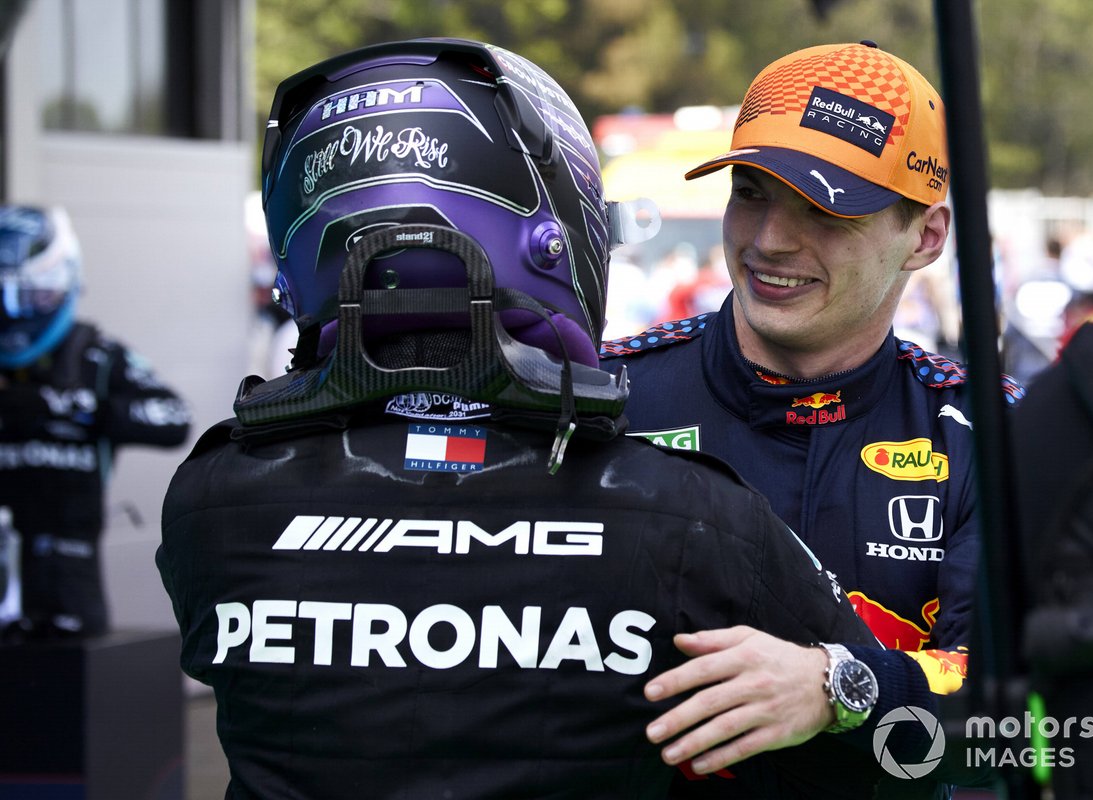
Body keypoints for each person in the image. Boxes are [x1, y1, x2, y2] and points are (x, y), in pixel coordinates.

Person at [156, 38, 882, 798]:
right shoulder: (694, 514)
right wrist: (844, 688)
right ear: (554, 232)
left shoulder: (212, 499)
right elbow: (896, 755)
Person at [600, 41, 1023, 792]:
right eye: (753, 192)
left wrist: (840, 689)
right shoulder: (606, 394)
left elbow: (1013, 724)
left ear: (924, 236)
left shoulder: (989, 433)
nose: (768, 241)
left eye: (824, 209)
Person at [0, 205, 191, 638]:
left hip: (68, 568)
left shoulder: (98, 357)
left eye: (30, 295)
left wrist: (72, 407)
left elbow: (174, 417)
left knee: (73, 696)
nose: (14, 312)